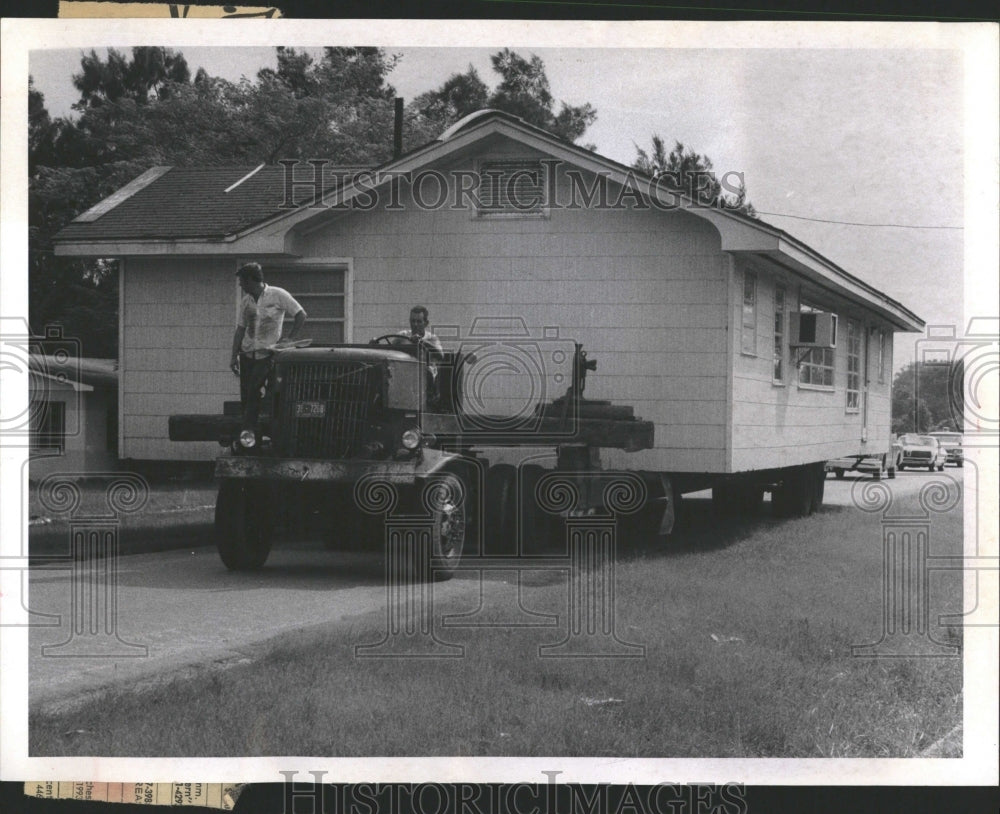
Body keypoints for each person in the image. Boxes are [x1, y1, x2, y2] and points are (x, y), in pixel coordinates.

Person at [229, 262, 306, 427]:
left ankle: (271, 426)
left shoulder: (278, 294)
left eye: (242, 281)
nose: (241, 285)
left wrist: (289, 339)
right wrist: (234, 355)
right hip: (248, 353)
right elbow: (240, 329)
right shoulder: (246, 301)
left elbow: (301, 315)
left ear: (251, 280)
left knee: (266, 391)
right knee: (248, 395)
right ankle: (249, 432)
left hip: (268, 353)